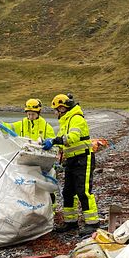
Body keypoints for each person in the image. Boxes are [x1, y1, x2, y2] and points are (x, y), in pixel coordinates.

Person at [42, 94, 100, 236]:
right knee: (68, 192)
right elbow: (62, 142)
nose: (55, 112)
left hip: (83, 159)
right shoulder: (65, 120)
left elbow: (71, 138)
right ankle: (71, 222)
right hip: (71, 160)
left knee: (83, 191)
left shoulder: (76, 119)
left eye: (56, 109)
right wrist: (52, 146)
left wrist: (54, 141)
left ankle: (92, 223)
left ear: (62, 108)